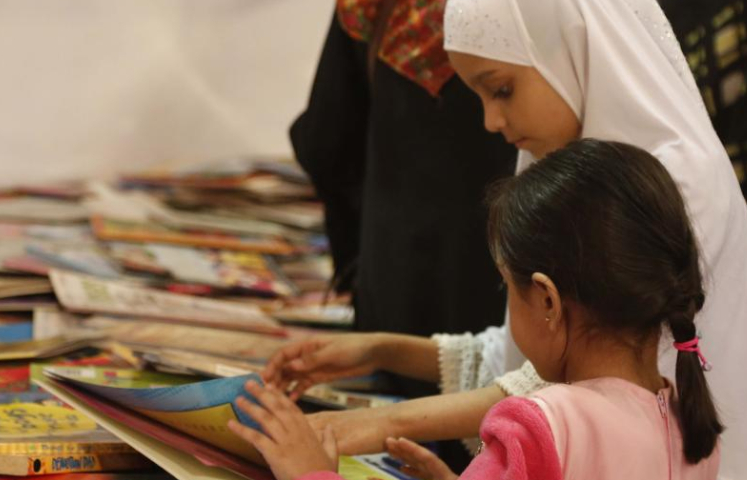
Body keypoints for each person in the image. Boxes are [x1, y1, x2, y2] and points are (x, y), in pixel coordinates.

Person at [263, 0, 747, 477]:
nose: (491, 122)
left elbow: (576, 376)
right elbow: (532, 350)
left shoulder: (672, 185)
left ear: (566, 50)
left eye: (502, 90)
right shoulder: (575, 166)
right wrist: (380, 349)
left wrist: (363, 431)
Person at [230, 139, 722, 480]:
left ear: (548, 300)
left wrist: (311, 472)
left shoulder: (540, 424)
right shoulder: (691, 424)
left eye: (506, 284)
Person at [290, 0, 515, 399]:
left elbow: (326, 143)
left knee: (396, 441)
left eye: (502, 92)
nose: (492, 118)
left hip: (397, 283)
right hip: (511, 289)